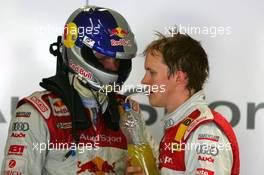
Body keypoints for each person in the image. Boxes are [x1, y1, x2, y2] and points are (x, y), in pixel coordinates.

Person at [1, 5, 157, 175]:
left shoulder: (128, 111)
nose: (112, 66)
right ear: (79, 52)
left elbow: (158, 168)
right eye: (103, 57)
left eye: (118, 60)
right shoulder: (38, 112)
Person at [127, 32, 240, 175]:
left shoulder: (204, 131)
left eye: (151, 72)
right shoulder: (182, 125)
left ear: (179, 77)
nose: (144, 80)